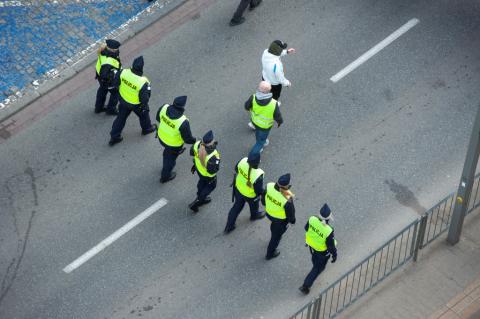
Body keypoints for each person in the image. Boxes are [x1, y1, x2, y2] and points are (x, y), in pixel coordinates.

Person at [109, 56, 156, 146]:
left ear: (132, 65)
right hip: (136, 104)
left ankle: (114, 136)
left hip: (123, 100)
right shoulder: (143, 81)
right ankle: (147, 129)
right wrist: (144, 106)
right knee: (144, 116)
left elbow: (115, 83)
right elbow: (145, 98)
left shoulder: (123, 72)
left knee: (120, 119)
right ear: (141, 68)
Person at [299, 204, 337, 295]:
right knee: (317, 268)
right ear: (329, 218)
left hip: (312, 246)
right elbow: (330, 246)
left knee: (315, 260)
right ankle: (305, 286)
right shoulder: (328, 230)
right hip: (322, 252)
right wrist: (335, 255)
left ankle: (316, 267)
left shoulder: (312, 219)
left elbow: (306, 228)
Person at [156, 96, 196, 183]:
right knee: (169, 160)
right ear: (182, 107)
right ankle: (165, 177)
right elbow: (187, 139)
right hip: (173, 144)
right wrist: (195, 141)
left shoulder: (164, 107)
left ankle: (175, 152)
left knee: (169, 152)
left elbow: (158, 118)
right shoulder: (183, 121)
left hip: (161, 137)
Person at [224, 151, 265, 233]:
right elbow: (258, 190)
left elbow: (236, 169)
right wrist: (264, 193)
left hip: (238, 189)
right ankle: (254, 216)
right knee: (254, 208)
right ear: (258, 162)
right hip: (250, 195)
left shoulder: (243, 161)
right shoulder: (258, 174)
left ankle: (229, 226)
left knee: (236, 208)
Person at [263, 173, 296, 260]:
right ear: (286, 186)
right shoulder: (287, 197)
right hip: (280, 220)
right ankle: (270, 254)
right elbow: (291, 213)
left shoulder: (269, 186)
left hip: (269, 213)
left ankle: (273, 233)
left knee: (274, 228)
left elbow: (263, 197)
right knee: (276, 237)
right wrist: (292, 221)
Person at [245, 81, 283, 154]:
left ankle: (259, 140)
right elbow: (277, 116)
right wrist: (280, 122)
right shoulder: (273, 103)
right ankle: (254, 153)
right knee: (260, 142)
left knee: (258, 133)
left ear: (259, 88)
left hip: (255, 121)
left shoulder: (253, 97)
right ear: (269, 90)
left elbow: (246, 106)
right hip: (265, 126)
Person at [189, 130, 221, 213]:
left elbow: (191, 153)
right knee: (211, 186)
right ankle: (198, 201)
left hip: (199, 171)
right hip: (208, 176)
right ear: (211, 142)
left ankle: (199, 195)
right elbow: (212, 171)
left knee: (202, 183)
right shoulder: (213, 155)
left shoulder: (197, 144)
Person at [95, 39, 121, 115]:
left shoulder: (103, 52)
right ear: (113, 50)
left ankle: (98, 108)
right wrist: (113, 78)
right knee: (115, 94)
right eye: (117, 49)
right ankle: (111, 110)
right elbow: (105, 74)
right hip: (108, 81)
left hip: (100, 77)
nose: (118, 50)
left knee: (102, 91)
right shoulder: (109, 60)